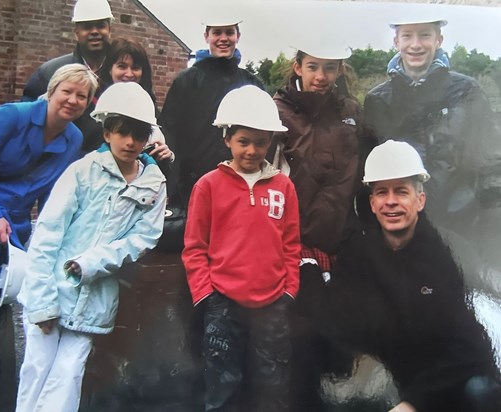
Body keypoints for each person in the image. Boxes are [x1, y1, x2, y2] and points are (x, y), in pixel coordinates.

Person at [0, 63, 98, 412]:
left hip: (10, 236)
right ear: (52, 91)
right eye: (67, 91)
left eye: (82, 96)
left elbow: (54, 196)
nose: (73, 100)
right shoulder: (8, 117)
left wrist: (56, 237)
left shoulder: (73, 139)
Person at [316, 140, 501, 412]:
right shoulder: (356, 260)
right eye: (382, 193)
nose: (391, 201)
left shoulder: (448, 254)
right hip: (386, 388)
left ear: (420, 200)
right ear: (372, 203)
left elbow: (472, 351)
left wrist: (413, 403)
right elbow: (341, 336)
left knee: (482, 390)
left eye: (401, 192)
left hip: (441, 388)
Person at [15, 82, 167, 412]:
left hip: (95, 297)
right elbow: (47, 236)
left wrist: (94, 262)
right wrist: (42, 303)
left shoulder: (153, 183)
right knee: (37, 371)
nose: (130, 142)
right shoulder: (82, 172)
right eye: (122, 132)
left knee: (68, 375)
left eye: (139, 135)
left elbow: (143, 238)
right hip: (52, 287)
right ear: (107, 131)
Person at [269, 43, 376, 411]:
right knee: (297, 352)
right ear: (297, 66)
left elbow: (367, 177)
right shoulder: (276, 111)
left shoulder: (352, 113)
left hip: (341, 243)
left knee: (342, 353)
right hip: (291, 248)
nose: (321, 76)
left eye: (330, 68)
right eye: (313, 66)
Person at [182, 85, 301, 412]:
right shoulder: (208, 186)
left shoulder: (283, 187)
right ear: (227, 139)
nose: (251, 150)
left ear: (271, 142)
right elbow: (194, 246)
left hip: (273, 301)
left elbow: (291, 243)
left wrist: (289, 288)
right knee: (223, 382)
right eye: (243, 141)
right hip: (223, 301)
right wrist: (206, 294)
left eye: (260, 142)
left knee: (273, 382)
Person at [363, 17, 501, 259]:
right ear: (396, 41)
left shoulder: (467, 91)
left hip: (463, 223)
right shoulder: (377, 99)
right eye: (407, 35)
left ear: (439, 40)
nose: (416, 44)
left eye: (425, 35)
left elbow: (491, 157)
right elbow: (368, 170)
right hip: (402, 228)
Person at [160, 18, 263, 208]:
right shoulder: (186, 81)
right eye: (217, 32)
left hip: (239, 184)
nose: (223, 38)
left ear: (237, 36)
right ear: (206, 36)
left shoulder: (252, 84)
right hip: (191, 186)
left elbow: (263, 136)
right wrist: (172, 185)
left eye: (229, 32)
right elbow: (170, 133)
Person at [23, 0, 114, 153]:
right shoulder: (50, 72)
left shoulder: (124, 73)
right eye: (86, 26)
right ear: (76, 33)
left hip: (111, 163)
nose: (94, 31)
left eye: (100, 25)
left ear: (109, 30)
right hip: (61, 159)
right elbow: (29, 119)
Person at [101, 37, 174, 165]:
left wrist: (168, 154)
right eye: (122, 66)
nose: (129, 74)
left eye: (135, 67)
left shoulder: (149, 107)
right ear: (109, 69)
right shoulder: (98, 107)